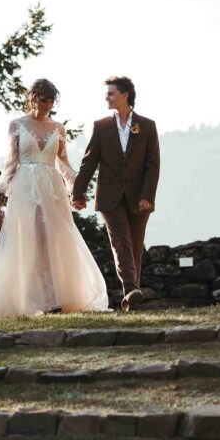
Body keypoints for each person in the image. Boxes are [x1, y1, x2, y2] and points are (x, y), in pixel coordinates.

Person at [0, 79, 110, 320]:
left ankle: (55, 297)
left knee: (52, 240)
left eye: (52, 101)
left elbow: (63, 163)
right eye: (44, 100)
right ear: (33, 98)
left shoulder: (58, 128)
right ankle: (29, 298)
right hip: (25, 188)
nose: (48, 105)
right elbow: (11, 163)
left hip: (52, 189)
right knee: (26, 241)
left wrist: (76, 190)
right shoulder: (17, 125)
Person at [71, 76, 160, 311]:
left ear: (125, 95)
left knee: (135, 244)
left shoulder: (147, 126)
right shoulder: (101, 127)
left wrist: (147, 196)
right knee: (121, 241)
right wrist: (78, 192)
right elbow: (89, 161)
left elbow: (153, 164)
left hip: (140, 197)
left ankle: (132, 298)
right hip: (109, 196)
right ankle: (131, 289)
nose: (106, 97)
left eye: (111, 93)